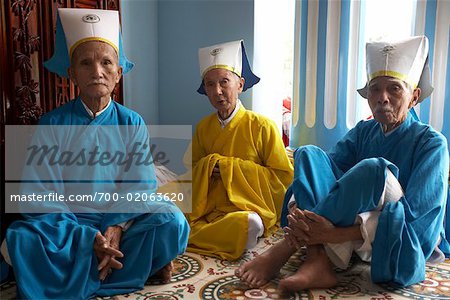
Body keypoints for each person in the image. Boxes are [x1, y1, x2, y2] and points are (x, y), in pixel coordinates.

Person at [1, 8, 189, 299]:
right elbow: (37, 192)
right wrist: (86, 237)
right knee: (21, 239)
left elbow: (139, 184)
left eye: (106, 62)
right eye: (86, 63)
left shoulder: (131, 122)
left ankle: (93, 264)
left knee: (172, 222)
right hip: (68, 228)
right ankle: (127, 265)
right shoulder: (52, 123)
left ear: (118, 72)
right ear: (72, 73)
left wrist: (116, 225)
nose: (97, 71)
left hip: (118, 222)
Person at [236, 35, 449, 290]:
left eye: (394, 88)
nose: (382, 97)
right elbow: (322, 177)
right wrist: (311, 209)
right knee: (308, 154)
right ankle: (317, 260)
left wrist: (333, 234)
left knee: (373, 168)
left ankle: (287, 246)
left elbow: (419, 227)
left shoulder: (432, 144)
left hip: (390, 239)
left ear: (414, 96)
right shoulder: (364, 131)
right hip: (346, 223)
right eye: (375, 88)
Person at [187, 40, 293, 260]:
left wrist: (227, 168)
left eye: (224, 82)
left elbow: (282, 180)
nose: (217, 91)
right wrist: (206, 169)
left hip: (246, 209)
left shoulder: (263, 126)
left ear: (240, 84)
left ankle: (188, 236)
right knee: (164, 207)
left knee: (249, 224)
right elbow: (192, 172)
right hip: (208, 209)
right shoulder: (203, 127)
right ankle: (194, 232)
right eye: (209, 84)